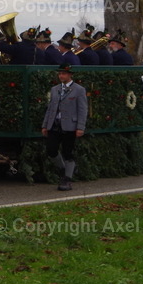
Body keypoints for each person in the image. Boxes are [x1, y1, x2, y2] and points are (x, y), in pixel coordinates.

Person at [41, 63, 88, 191]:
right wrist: (45, 125)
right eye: (60, 73)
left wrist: (80, 127)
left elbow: (82, 110)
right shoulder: (55, 89)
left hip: (70, 126)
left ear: (70, 75)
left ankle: (67, 179)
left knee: (68, 152)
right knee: (51, 150)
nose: (61, 76)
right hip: (55, 125)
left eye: (64, 73)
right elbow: (50, 108)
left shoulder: (79, 90)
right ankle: (64, 170)